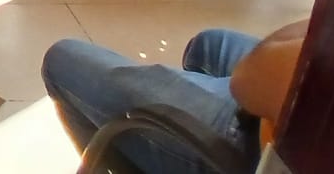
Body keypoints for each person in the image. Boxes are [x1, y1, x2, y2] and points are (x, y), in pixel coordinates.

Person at [42, 18, 308, 172]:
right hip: (293, 109)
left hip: (270, 149)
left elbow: (248, 79)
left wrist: (324, 15)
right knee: (209, 44)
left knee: (62, 60)